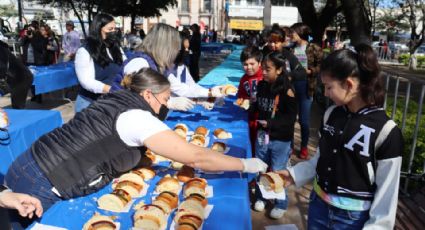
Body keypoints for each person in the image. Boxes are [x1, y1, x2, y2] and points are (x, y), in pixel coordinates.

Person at [4, 67, 267, 229]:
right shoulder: (138, 117)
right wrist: (243, 164)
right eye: (165, 100)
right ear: (148, 95)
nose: (165, 106)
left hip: (29, 163)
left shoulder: (119, 97)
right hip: (43, 182)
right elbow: (196, 156)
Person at [279, 44, 403, 229]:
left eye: (329, 87)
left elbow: (387, 193)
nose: (326, 93)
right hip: (318, 207)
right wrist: (293, 174)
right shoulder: (331, 114)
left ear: (349, 84)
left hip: (352, 220)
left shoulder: (386, 130)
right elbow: (320, 159)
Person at [251, 52, 297, 219]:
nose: (263, 72)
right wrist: (250, 108)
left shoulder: (288, 90)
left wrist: (271, 124)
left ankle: (280, 203)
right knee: (260, 168)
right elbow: (257, 105)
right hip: (263, 136)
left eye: (267, 69)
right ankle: (261, 196)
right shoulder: (262, 85)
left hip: (280, 139)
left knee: (278, 171)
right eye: (262, 68)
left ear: (278, 70)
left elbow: (291, 118)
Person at [111, 23, 199, 111]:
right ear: (165, 47)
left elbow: (177, 86)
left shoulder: (157, 64)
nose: (177, 51)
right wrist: (169, 103)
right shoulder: (139, 63)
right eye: (176, 47)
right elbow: (135, 98)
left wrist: (203, 96)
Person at [74, 13, 126, 112]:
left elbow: (126, 65)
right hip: (90, 104)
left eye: (115, 29)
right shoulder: (85, 50)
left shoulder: (115, 47)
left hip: (112, 101)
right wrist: (111, 89)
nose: (113, 32)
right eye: (110, 29)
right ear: (98, 29)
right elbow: (86, 81)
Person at [290, 23, 315, 159]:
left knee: (304, 121)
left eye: (293, 33)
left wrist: (310, 71)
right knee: (291, 118)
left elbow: (322, 67)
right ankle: (290, 146)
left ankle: (304, 147)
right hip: (292, 87)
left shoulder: (313, 48)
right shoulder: (291, 49)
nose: (291, 35)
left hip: (306, 87)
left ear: (300, 33)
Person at [236, 46, 263, 154]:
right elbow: (241, 96)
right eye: (245, 64)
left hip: (264, 120)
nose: (249, 67)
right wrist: (243, 101)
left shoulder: (265, 76)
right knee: (252, 144)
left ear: (259, 63)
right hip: (250, 118)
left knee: (263, 147)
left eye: (252, 64)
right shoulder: (243, 79)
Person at [0, 41, 33, 109]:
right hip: (18, 77)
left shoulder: (1, 49)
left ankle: (21, 117)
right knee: (17, 104)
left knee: (18, 106)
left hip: (21, 78)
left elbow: (2, 67)